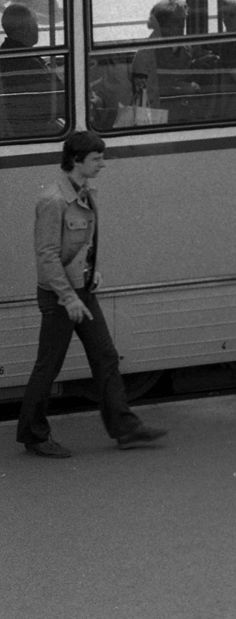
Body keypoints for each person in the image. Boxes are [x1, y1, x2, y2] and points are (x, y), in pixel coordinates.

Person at [15, 130, 167, 458]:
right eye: (97, 158)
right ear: (76, 160)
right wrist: (68, 298)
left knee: (105, 357)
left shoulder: (84, 192)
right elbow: (47, 256)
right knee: (49, 366)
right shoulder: (54, 200)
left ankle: (125, 429)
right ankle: (33, 434)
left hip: (82, 291)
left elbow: (82, 243)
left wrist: (91, 271)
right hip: (60, 298)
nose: (103, 164)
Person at [0, 0, 64, 139]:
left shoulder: (9, 52)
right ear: (25, 29)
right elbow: (55, 103)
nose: (37, 29)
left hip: (27, 122)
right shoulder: (25, 62)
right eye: (35, 24)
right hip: (35, 128)